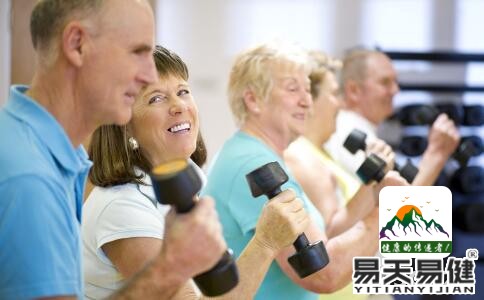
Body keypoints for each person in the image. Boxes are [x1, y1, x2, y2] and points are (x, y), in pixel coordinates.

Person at [0, 1, 224, 299]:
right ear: (77, 45)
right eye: (137, 52)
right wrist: (171, 266)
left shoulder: (55, 155)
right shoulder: (29, 176)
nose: (147, 75)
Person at [83, 45, 310, 299]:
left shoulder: (189, 175)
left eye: (183, 92)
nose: (179, 105)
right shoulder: (121, 206)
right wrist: (265, 243)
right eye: (156, 98)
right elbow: (326, 276)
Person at [202, 42, 408, 300]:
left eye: (308, 89)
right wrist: (385, 211)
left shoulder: (264, 157)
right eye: (292, 89)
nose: (306, 101)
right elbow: (323, 273)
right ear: (253, 100)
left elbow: (326, 238)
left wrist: (374, 192)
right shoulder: (252, 164)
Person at [325, 49, 460, 186]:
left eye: (395, 82)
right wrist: (436, 153)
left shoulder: (355, 129)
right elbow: (396, 205)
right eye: (385, 82)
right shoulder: (349, 132)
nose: (395, 90)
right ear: (354, 90)